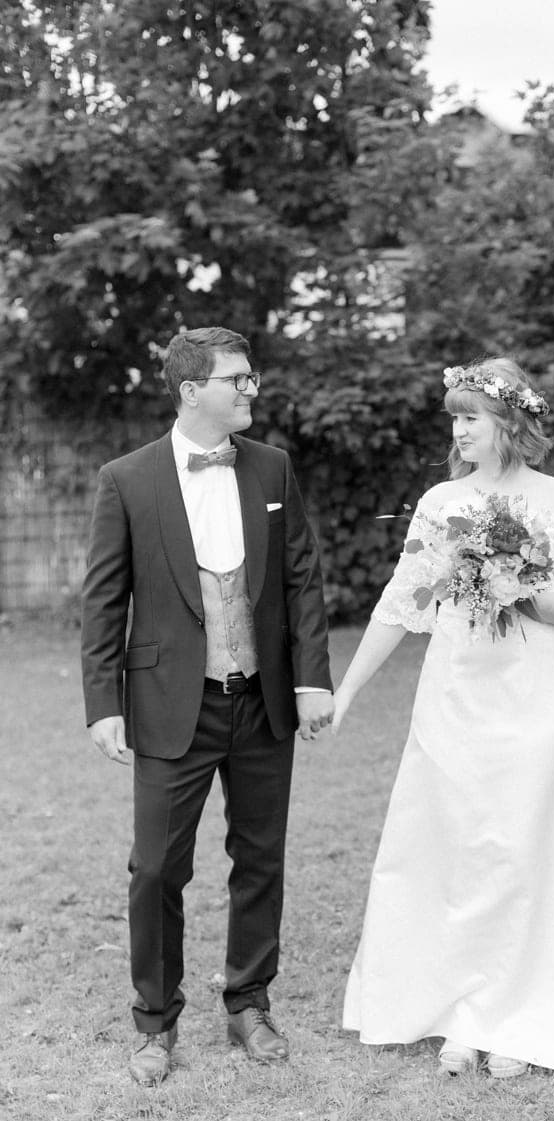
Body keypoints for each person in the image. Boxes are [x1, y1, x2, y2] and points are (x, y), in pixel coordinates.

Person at [334, 356, 554, 1079]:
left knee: (521, 845)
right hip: (454, 693)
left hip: (532, 693)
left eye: (470, 418)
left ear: (509, 422)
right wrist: (348, 689)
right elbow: (401, 601)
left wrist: (518, 586)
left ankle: (518, 1016)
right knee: (454, 844)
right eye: (454, 418)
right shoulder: (439, 502)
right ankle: (461, 1013)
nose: (458, 431)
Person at [80, 327, 335, 1086]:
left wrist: (311, 679)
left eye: (251, 377)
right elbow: (103, 601)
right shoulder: (127, 479)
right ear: (192, 390)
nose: (251, 389)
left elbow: (301, 580)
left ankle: (249, 1003)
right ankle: (155, 1022)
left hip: (262, 701)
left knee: (259, 858)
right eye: (237, 379)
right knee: (157, 867)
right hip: (169, 704)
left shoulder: (272, 466)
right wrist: (102, 702)